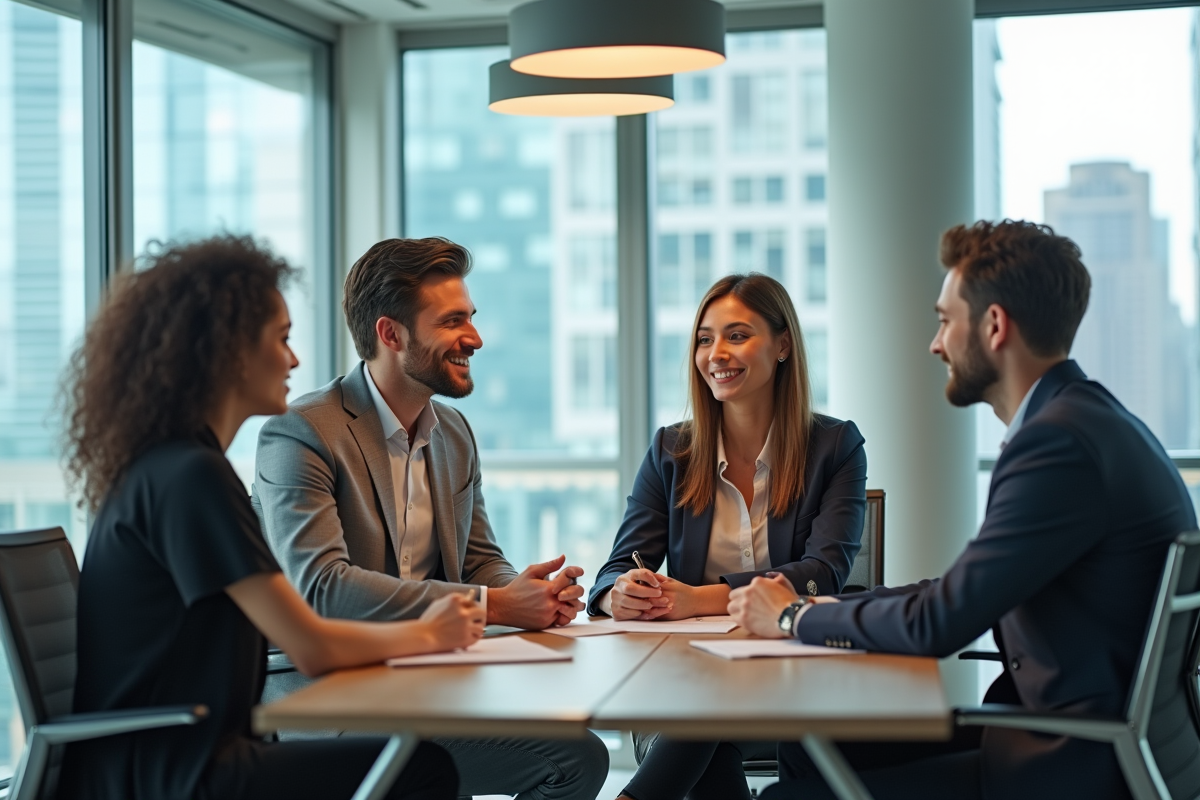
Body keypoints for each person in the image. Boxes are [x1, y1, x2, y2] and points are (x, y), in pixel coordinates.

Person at [729, 220, 1200, 800]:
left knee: (784, 798)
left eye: (945, 321)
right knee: (808, 743)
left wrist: (792, 618)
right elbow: (959, 591)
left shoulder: (1057, 444)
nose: (936, 344)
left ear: (994, 326)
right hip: (1086, 739)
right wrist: (824, 607)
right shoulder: (1085, 421)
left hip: (1069, 764)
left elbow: (939, 622)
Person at [57, 236, 481, 800]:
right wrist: (433, 630)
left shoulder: (172, 467)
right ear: (229, 351)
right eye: (281, 339)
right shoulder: (191, 478)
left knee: (414, 762)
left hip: (172, 758)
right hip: (172, 775)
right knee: (420, 768)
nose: (294, 360)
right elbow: (310, 645)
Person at [252, 236, 608, 800]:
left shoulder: (454, 434)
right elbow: (323, 588)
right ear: (391, 334)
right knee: (572, 759)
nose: (475, 337)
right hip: (326, 697)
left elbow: (479, 561)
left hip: (428, 678)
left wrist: (530, 594)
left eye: (471, 317)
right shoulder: (302, 432)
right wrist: (496, 605)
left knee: (571, 735)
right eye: (452, 321)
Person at [587, 273, 868, 800]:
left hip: (791, 671)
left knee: (704, 716)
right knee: (705, 719)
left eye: (737, 335)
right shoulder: (671, 452)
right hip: (686, 680)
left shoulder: (835, 447)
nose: (716, 353)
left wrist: (698, 600)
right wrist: (617, 595)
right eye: (704, 339)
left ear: (783, 345)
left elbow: (823, 573)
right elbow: (617, 568)